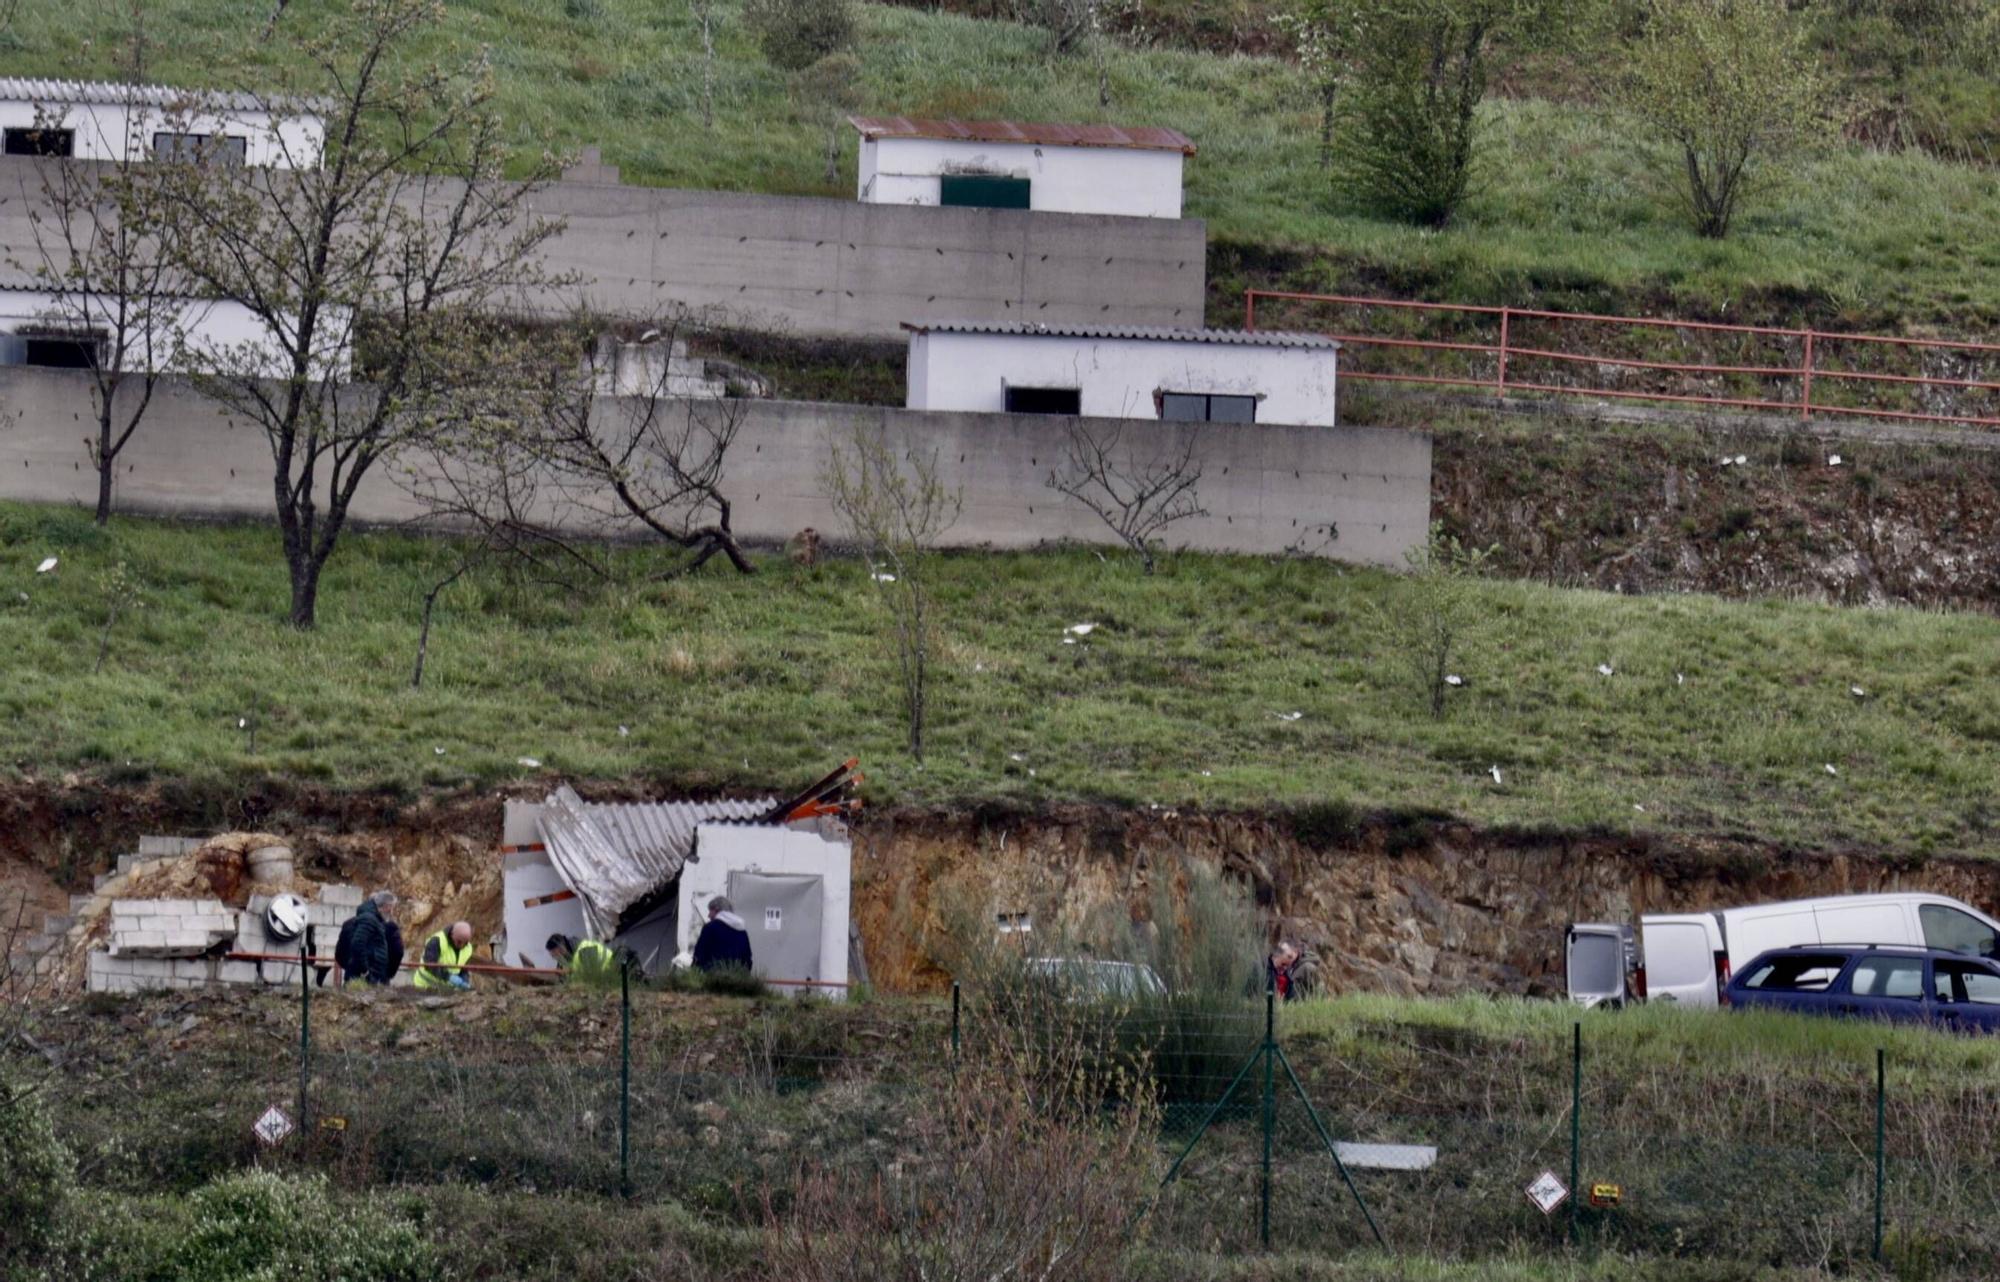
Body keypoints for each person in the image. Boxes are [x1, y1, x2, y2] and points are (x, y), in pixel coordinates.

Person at [338, 891, 400, 988]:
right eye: (391, 908)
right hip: (365, 979)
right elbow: (357, 944)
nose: (391, 912)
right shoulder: (369, 919)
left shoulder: (373, 919)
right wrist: (365, 971)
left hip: (369, 976)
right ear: (385, 906)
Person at [691, 896, 752, 974]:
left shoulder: (710, 928)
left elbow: (699, 954)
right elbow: (747, 959)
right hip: (737, 980)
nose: (708, 915)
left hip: (712, 978)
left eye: (710, 911)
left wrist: (693, 973)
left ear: (717, 910)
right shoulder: (742, 931)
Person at [414, 920, 476, 991]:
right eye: (459, 942)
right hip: (425, 986)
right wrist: (448, 976)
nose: (461, 945)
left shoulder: (468, 948)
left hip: (445, 990)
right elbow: (429, 964)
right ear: (452, 934)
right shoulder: (437, 941)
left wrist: (464, 979)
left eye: (465, 943)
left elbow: (464, 968)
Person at [546, 933, 618, 983]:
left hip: (614, 973)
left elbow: (592, 980)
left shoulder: (585, 950)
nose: (555, 958)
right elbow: (563, 980)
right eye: (553, 956)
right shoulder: (564, 960)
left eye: (555, 955)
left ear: (561, 949)